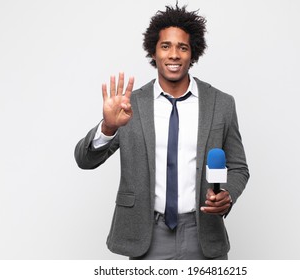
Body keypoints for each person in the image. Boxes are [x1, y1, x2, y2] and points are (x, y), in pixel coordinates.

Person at [74, 4, 249, 260]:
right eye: (165, 46)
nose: (174, 55)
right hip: (146, 235)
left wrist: (228, 195)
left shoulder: (221, 103)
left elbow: (238, 167)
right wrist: (108, 127)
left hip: (202, 233)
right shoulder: (130, 105)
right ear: (153, 52)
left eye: (183, 47)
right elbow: (84, 160)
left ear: (193, 54)